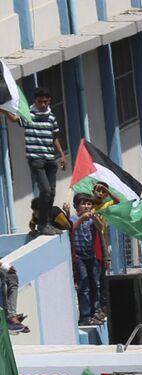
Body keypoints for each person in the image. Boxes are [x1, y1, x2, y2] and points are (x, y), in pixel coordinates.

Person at [11, 89, 64, 235]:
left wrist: (62, 156)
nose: (43, 104)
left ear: (49, 101)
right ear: (35, 101)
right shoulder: (29, 115)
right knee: (45, 190)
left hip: (50, 159)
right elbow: (15, 119)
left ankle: (47, 222)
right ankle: (42, 224)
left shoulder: (51, 117)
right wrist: (5, 109)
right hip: (36, 159)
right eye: (40, 101)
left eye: (45, 101)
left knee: (51, 192)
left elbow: (54, 137)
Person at [57, 194, 107, 325]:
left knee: (95, 284)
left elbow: (101, 228)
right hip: (79, 257)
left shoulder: (93, 219)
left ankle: (96, 311)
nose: (86, 206)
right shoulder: (73, 219)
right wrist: (81, 219)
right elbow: (71, 228)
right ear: (76, 206)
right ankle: (85, 315)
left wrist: (95, 218)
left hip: (92, 256)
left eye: (89, 204)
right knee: (83, 286)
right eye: (83, 204)